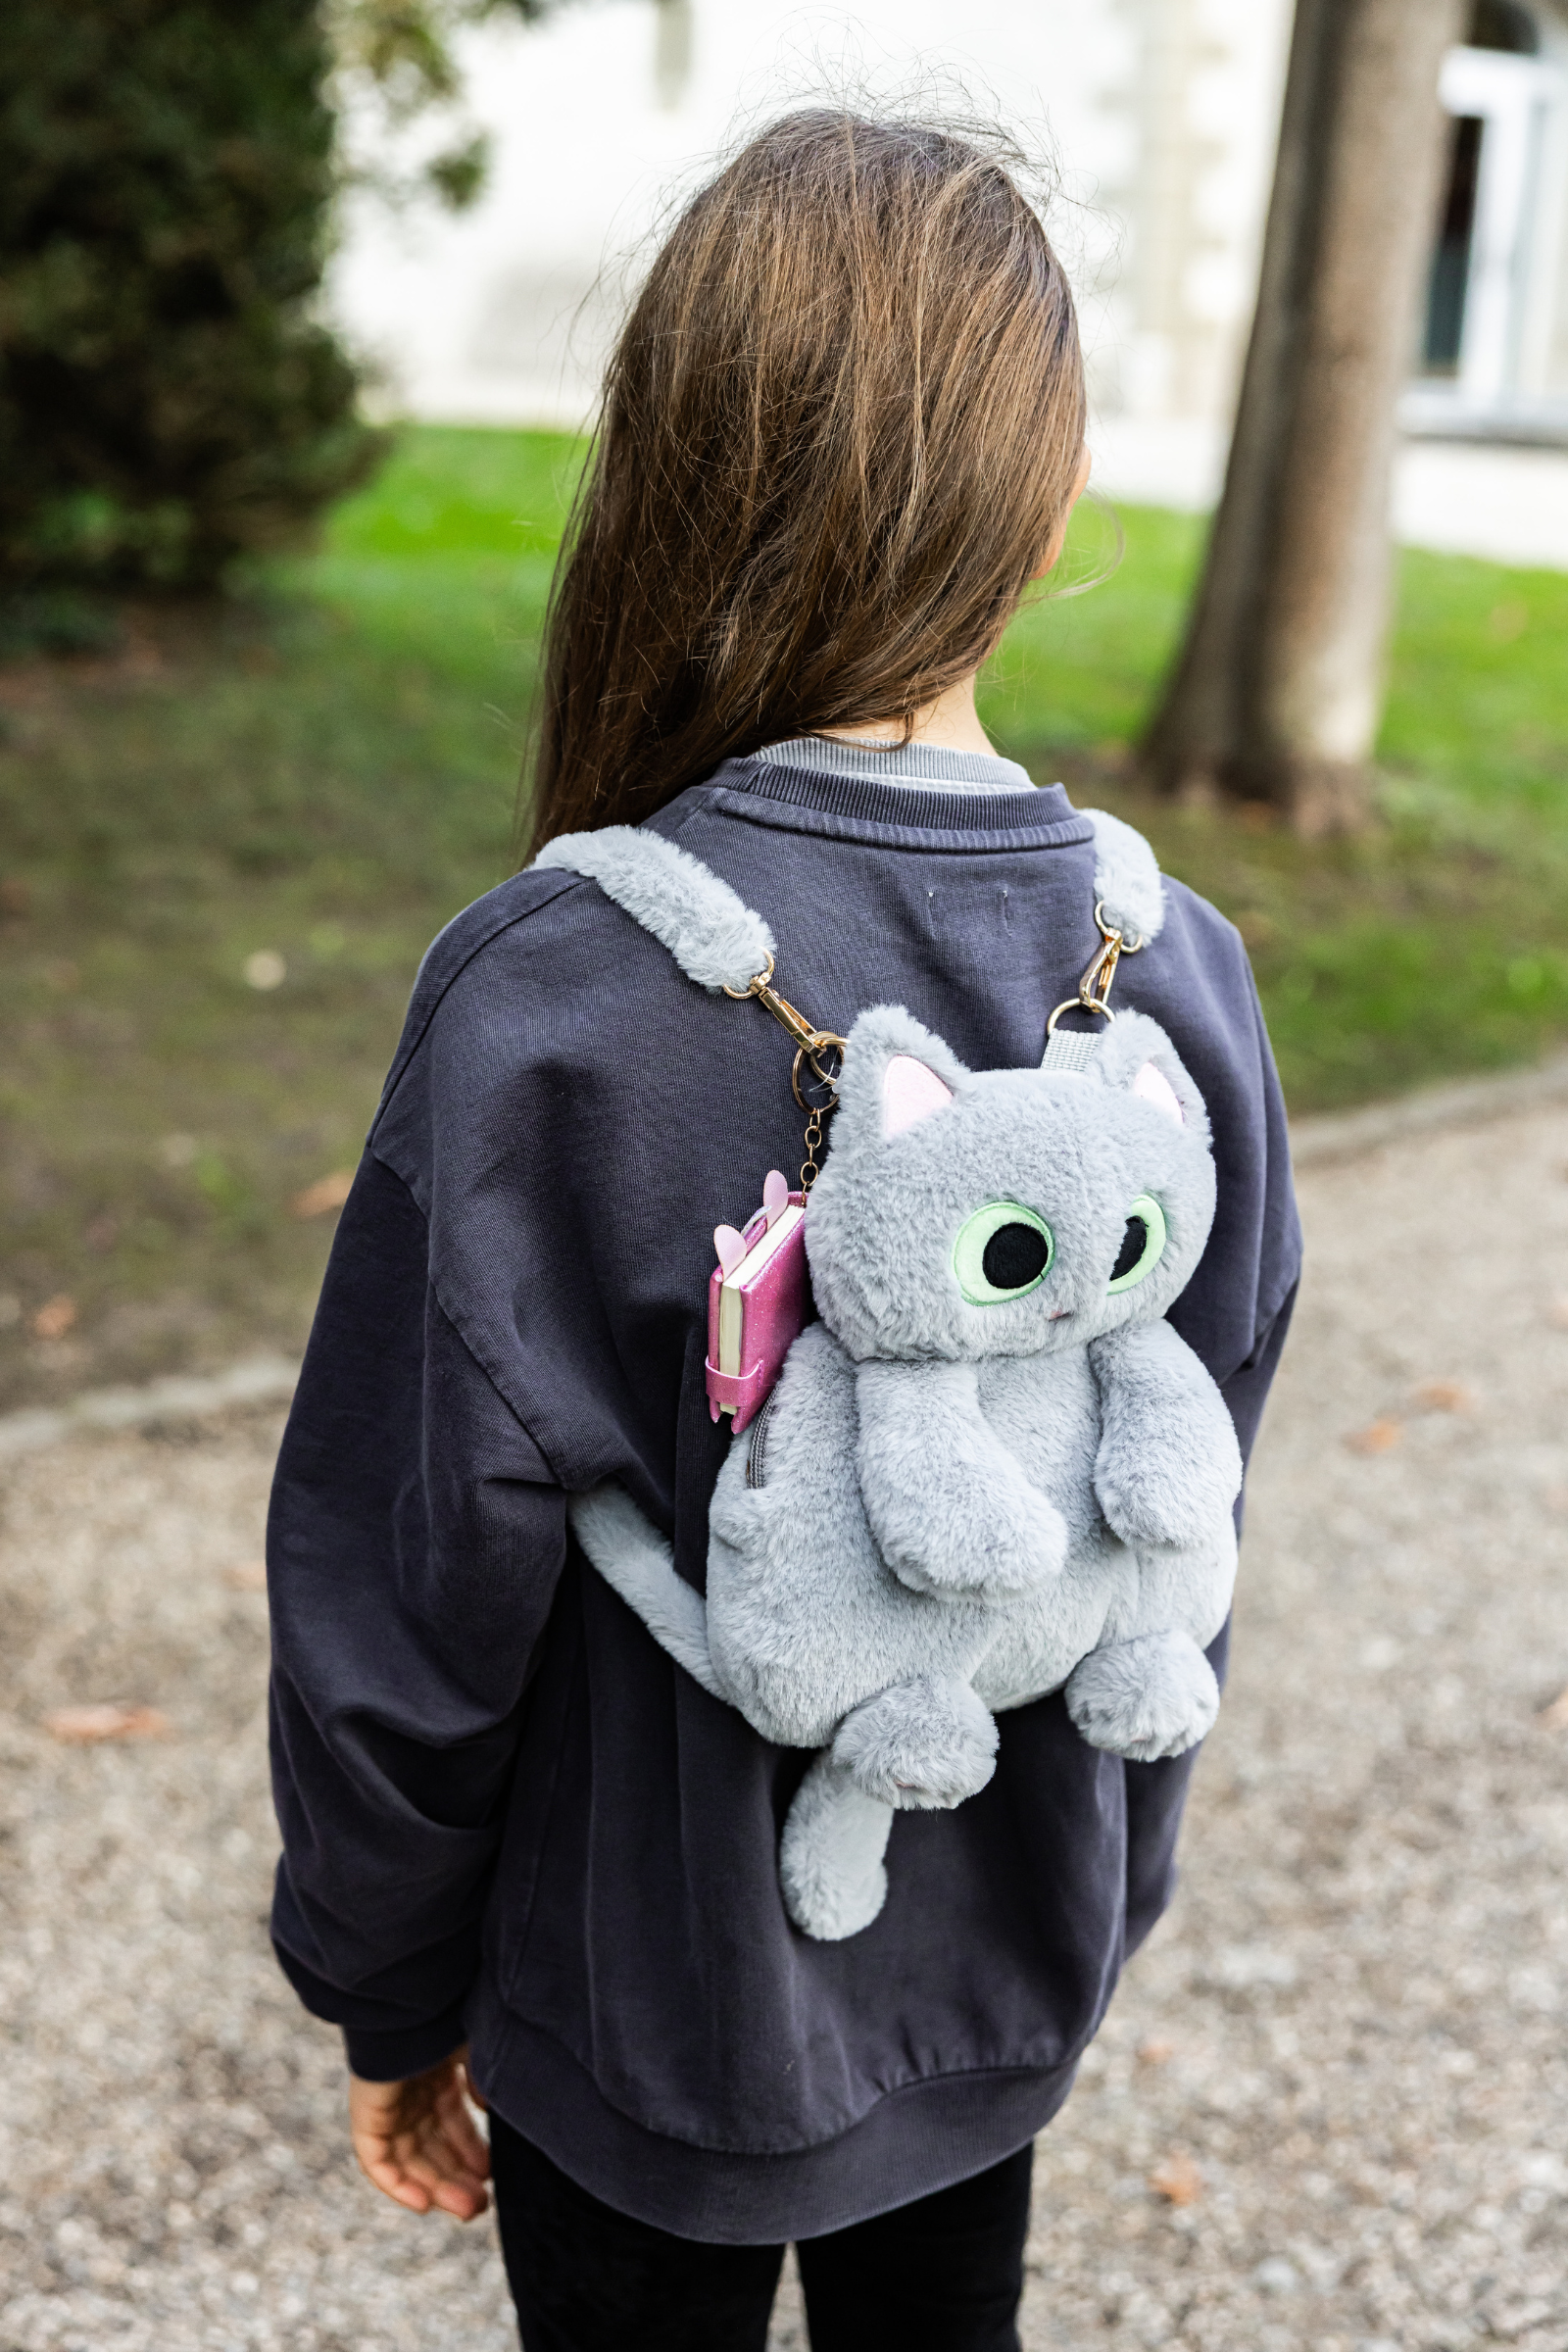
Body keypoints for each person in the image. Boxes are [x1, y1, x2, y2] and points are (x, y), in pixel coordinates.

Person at [267, 109, 1300, 2352]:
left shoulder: (557, 995)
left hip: (640, 2006)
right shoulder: (1170, 975)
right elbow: (1187, 1491)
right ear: (1041, 511)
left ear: (669, 479)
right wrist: (1104, 1888)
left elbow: (411, 1585)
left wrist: (383, 1977)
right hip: (996, 1963)